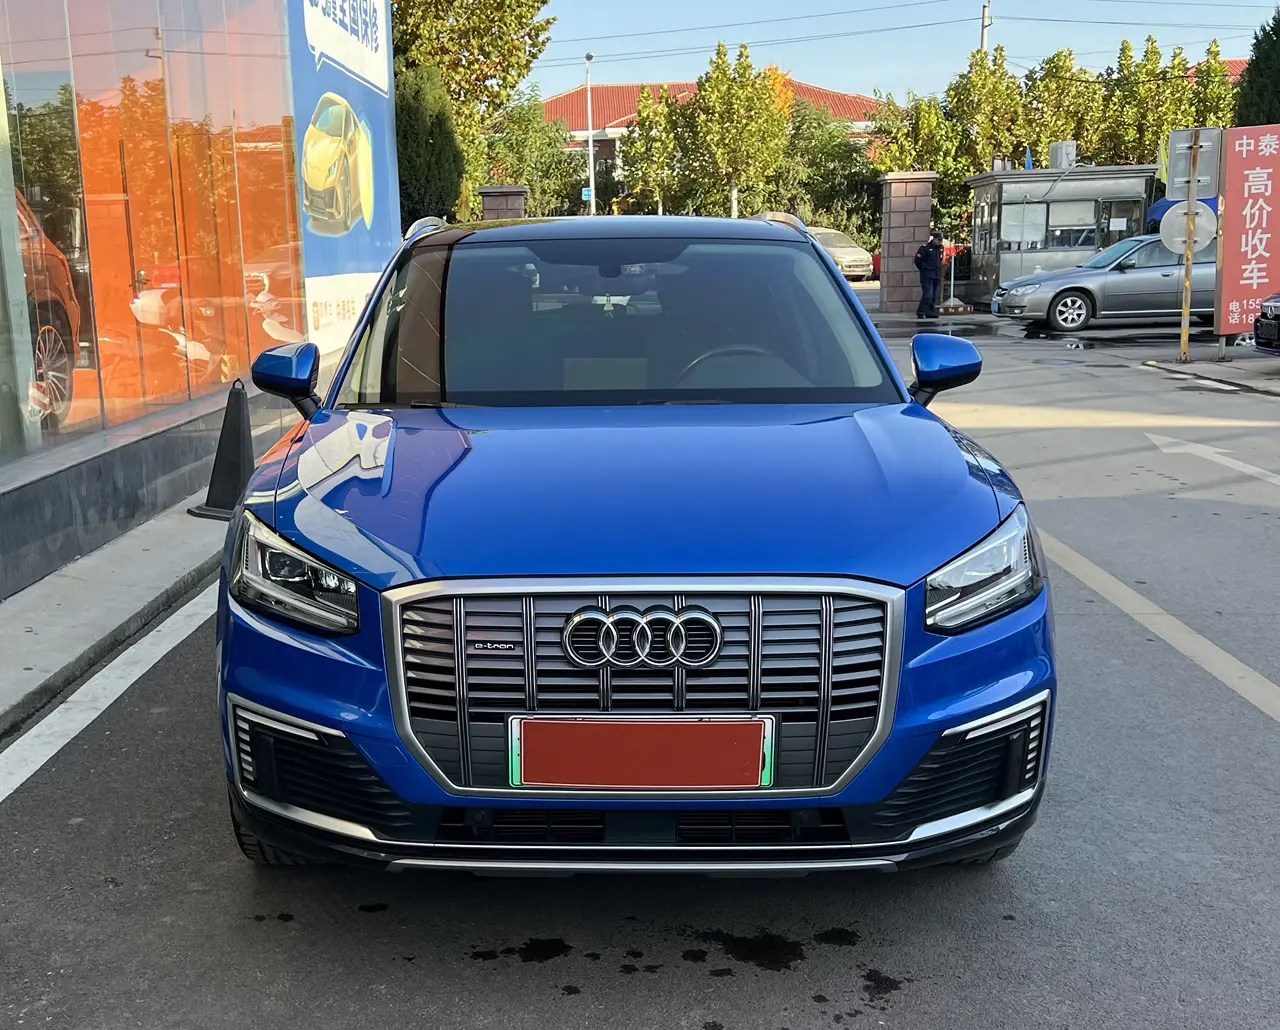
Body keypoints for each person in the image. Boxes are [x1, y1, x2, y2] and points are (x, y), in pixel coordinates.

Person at [914, 231, 944, 319]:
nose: (940, 242)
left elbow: (940, 261)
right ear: (934, 239)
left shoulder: (940, 249)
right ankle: (921, 311)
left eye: (941, 240)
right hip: (927, 275)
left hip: (936, 275)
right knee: (928, 294)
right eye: (939, 240)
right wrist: (924, 269)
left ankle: (929, 312)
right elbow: (917, 260)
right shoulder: (925, 248)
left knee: (934, 295)